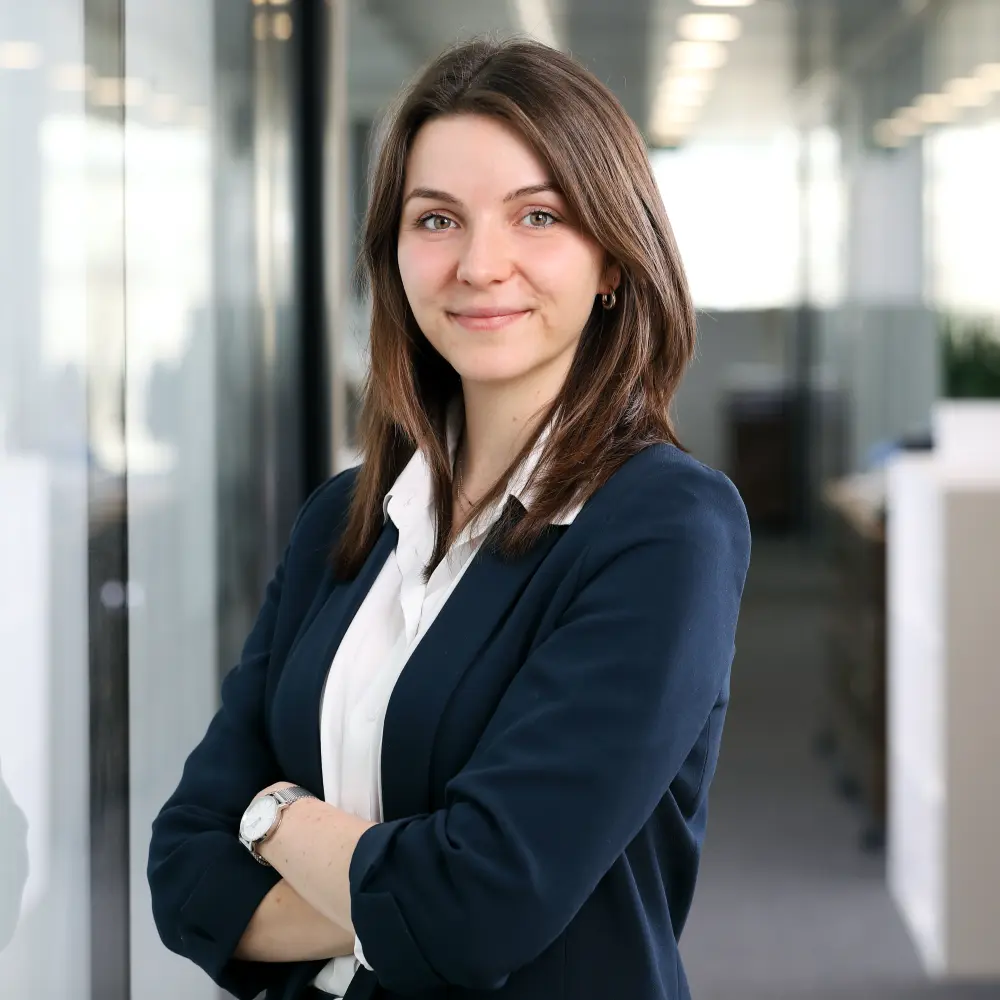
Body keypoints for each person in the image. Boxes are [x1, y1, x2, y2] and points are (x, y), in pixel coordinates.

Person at [148, 36, 751, 1000]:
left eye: (538, 216)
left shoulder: (664, 526)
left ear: (611, 258)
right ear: (394, 254)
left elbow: (478, 907)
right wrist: (404, 899)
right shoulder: (342, 524)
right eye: (438, 219)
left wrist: (267, 819)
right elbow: (182, 873)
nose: (481, 264)